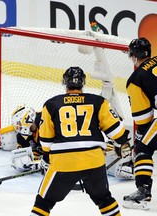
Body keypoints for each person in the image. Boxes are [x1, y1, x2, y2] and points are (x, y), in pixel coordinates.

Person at [30, 66, 131, 216]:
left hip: (64, 163)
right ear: (83, 83)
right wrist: (122, 143)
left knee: (43, 203)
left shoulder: (51, 104)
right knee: (104, 199)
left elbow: (45, 139)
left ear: (64, 82)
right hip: (94, 162)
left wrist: (46, 155)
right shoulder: (99, 102)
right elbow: (116, 130)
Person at [4, 105, 134, 180]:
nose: (19, 129)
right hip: (70, 153)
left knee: (96, 158)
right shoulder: (26, 134)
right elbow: (34, 152)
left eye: (20, 125)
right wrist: (31, 162)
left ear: (28, 120)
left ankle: (122, 157)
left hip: (80, 140)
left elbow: (61, 144)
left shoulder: (47, 121)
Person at [123, 37, 157, 210]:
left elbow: (143, 118)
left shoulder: (136, 79)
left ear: (134, 56)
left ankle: (143, 191)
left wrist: (139, 136)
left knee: (143, 146)